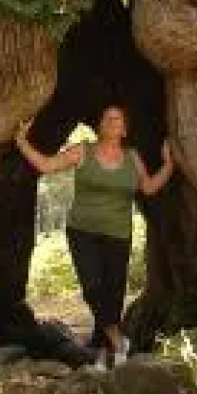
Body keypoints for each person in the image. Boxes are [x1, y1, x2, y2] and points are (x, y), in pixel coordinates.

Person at [15, 106, 174, 369]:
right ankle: (119, 341)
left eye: (118, 119)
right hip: (83, 232)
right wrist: (21, 143)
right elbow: (47, 165)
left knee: (113, 292)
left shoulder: (132, 158)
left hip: (118, 234)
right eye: (108, 118)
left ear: (124, 129)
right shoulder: (82, 150)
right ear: (99, 125)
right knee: (92, 286)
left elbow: (148, 188)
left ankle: (103, 355)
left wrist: (169, 164)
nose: (113, 122)